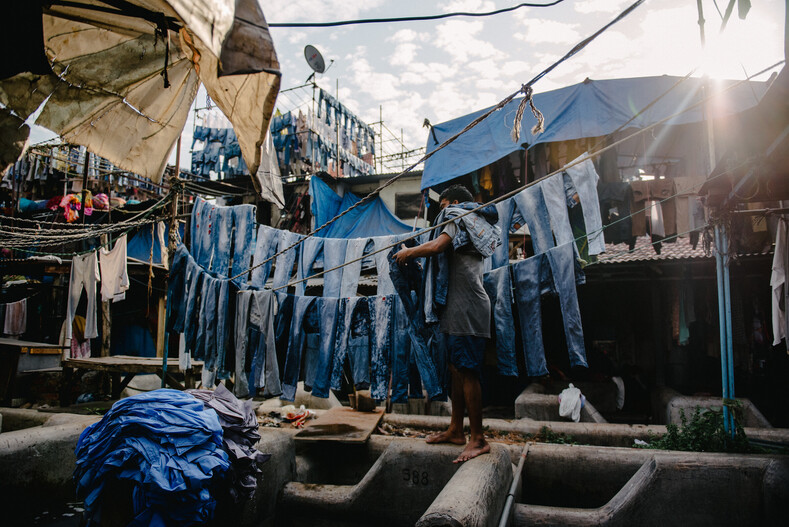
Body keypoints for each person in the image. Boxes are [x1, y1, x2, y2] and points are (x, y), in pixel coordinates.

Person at [394, 184, 498, 463]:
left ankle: (478, 438)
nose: (439, 212)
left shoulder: (455, 215)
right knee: (455, 369)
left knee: (468, 371)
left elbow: (439, 245)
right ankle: (456, 429)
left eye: (441, 205)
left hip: (468, 308)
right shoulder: (469, 223)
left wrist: (410, 253)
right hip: (458, 307)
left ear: (451, 203)